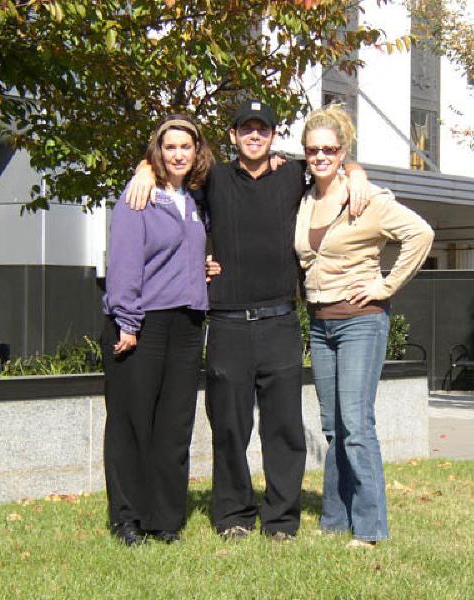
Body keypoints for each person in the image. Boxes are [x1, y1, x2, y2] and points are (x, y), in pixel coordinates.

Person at [125, 99, 371, 541]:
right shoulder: (213, 179)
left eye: (263, 129)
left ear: (273, 136)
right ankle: (234, 516)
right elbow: (173, 174)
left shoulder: (292, 175)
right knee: (229, 428)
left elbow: (333, 163)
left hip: (280, 322)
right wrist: (145, 168)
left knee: (284, 429)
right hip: (228, 324)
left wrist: (357, 173)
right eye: (246, 129)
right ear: (233, 135)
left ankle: (280, 521)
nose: (254, 136)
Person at [295, 104, 434, 548]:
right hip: (321, 323)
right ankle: (335, 520)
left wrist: (385, 285)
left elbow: (421, 235)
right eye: (313, 150)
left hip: (361, 321)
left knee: (356, 425)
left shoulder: (367, 198)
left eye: (329, 150)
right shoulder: (304, 198)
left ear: (342, 152)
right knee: (333, 426)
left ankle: (370, 527)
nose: (320, 156)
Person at [101, 114, 217, 546]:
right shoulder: (139, 196)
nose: (178, 154)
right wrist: (127, 322)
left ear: (197, 151)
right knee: (132, 422)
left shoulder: (196, 202)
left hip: (187, 323)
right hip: (142, 322)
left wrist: (205, 267)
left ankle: (165, 518)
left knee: (174, 424)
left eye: (186, 146)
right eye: (170, 147)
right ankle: (127, 518)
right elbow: (124, 262)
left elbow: (183, 256)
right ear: (158, 151)